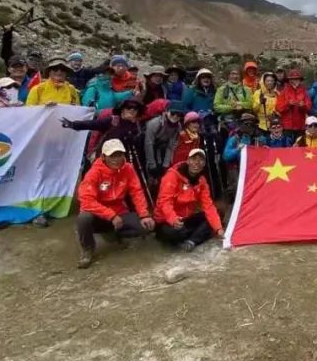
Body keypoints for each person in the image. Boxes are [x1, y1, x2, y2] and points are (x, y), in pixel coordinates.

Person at [74, 139, 153, 269]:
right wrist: (111, 215)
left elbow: (136, 192)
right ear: (103, 157)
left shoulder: (128, 168)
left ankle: (113, 234)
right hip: (98, 214)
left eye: (119, 155)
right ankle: (87, 249)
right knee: (83, 218)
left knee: (146, 226)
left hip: (119, 211)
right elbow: (86, 200)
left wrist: (144, 215)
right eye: (112, 156)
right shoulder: (94, 172)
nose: (116, 159)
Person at [154, 149, 223, 251]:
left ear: (204, 164)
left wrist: (218, 228)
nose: (197, 163)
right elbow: (164, 202)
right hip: (167, 221)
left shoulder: (202, 181)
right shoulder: (172, 176)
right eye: (194, 159)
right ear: (188, 161)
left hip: (186, 218)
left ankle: (192, 241)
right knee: (174, 233)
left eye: (201, 160)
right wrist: (173, 219)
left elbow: (208, 206)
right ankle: (197, 234)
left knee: (218, 215)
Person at [62, 98, 147, 174]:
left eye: (135, 108)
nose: (132, 110)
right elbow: (92, 124)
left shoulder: (137, 128)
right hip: (105, 159)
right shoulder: (113, 121)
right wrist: (73, 124)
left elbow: (138, 147)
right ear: (122, 110)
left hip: (125, 162)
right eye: (129, 107)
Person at [144, 101, 185, 188]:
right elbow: (148, 144)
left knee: (162, 172)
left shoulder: (178, 127)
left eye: (179, 114)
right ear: (166, 111)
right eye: (173, 113)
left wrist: (165, 165)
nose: (175, 116)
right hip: (148, 146)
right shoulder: (154, 123)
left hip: (163, 148)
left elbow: (171, 146)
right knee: (150, 172)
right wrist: (152, 164)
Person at [276, 68, 312, 141]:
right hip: (287, 126)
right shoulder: (284, 92)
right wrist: (288, 104)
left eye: (297, 79)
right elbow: (278, 108)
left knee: (300, 145)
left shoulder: (304, 91)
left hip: (300, 126)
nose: (294, 81)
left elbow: (309, 107)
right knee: (288, 146)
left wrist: (303, 106)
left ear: (300, 80)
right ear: (289, 80)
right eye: (292, 79)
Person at [214, 67, 253, 133]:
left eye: (237, 74)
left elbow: (250, 104)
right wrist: (231, 107)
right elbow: (216, 106)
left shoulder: (246, 90)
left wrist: (239, 104)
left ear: (240, 76)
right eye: (232, 74)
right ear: (228, 76)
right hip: (226, 122)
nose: (235, 76)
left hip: (243, 121)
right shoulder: (221, 90)